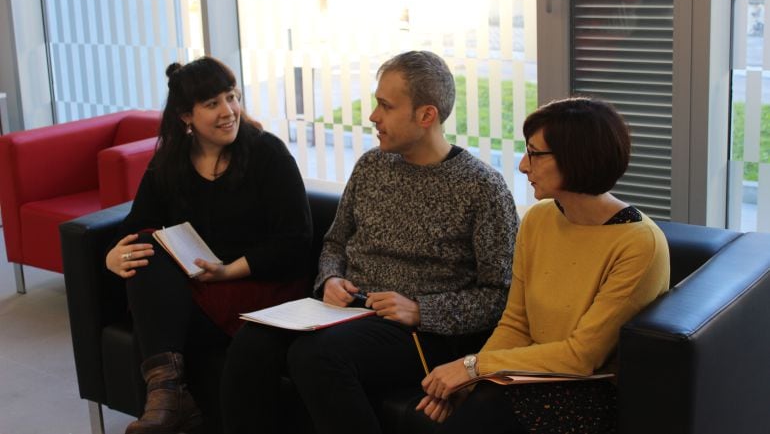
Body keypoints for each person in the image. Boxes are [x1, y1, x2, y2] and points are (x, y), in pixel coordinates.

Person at [221, 50, 519, 434]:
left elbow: (499, 296)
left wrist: (421, 310)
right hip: (346, 313)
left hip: (422, 334)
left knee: (316, 357)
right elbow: (334, 244)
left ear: (426, 115)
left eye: (385, 106)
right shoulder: (371, 165)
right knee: (251, 342)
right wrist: (329, 280)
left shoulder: (482, 187)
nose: (373, 116)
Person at [416, 97, 671, 434]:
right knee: (467, 409)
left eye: (535, 153)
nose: (523, 165)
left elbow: (581, 358)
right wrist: (469, 382)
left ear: (576, 158)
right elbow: (516, 324)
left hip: (588, 390)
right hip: (525, 376)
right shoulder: (538, 219)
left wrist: (474, 367)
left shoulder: (639, 244)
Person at [105, 56, 313, 434]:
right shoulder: (171, 161)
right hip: (205, 284)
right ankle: (169, 396)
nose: (228, 111)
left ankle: (170, 403)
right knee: (146, 250)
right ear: (186, 116)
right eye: (212, 104)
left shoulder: (267, 153)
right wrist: (113, 255)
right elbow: (137, 226)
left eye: (231, 97)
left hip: (263, 285)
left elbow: (296, 242)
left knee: (154, 319)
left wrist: (229, 271)